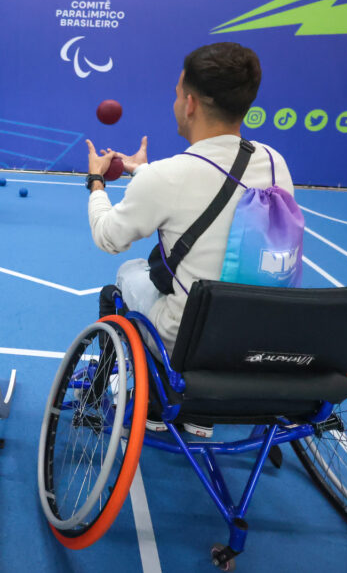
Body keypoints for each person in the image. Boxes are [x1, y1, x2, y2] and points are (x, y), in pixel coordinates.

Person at [85, 42, 294, 433]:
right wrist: (142, 175)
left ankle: (151, 399)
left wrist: (96, 182)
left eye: (177, 93)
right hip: (263, 330)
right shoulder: (274, 162)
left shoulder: (167, 175)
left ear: (191, 103)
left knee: (129, 271)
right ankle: (202, 416)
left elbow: (108, 237)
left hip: (190, 335)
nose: (176, 101)